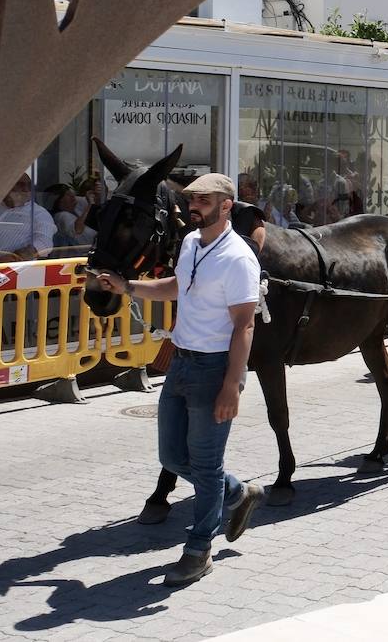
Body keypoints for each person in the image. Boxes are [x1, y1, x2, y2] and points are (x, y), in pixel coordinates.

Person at [95, 173, 264, 586]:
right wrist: (129, 286)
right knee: (172, 457)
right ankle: (239, 492)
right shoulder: (190, 243)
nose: (195, 206)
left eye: (204, 200)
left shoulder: (239, 258)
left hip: (213, 370)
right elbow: (177, 288)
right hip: (181, 365)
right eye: (192, 199)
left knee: (205, 467)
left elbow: (244, 325)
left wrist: (232, 384)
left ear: (226, 206)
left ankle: (199, 548)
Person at [0, 174, 57, 258]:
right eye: (20, 185)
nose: (26, 189)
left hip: (9, 268)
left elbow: (44, 243)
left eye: (29, 185)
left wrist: (15, 257)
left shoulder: (38, 213)